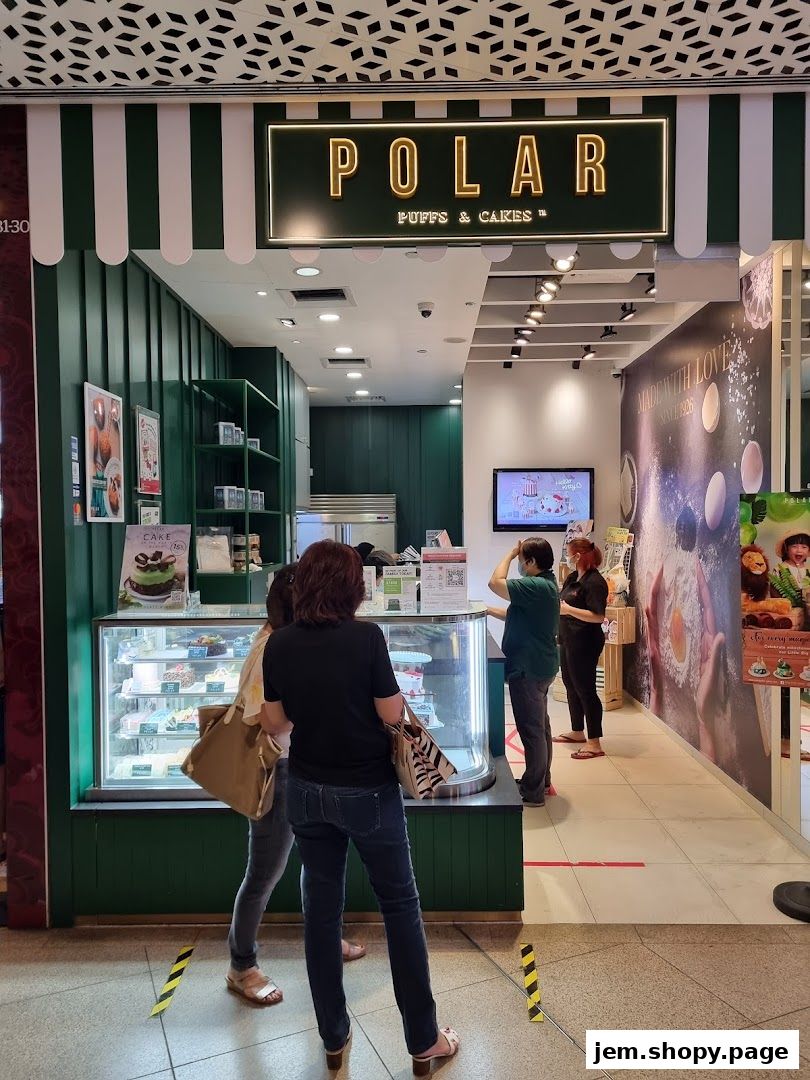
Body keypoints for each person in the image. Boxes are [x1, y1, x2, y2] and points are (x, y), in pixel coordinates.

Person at [262, 540, 459, 1073]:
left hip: (306, 790)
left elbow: (275, 723)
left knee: (321, 915)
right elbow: (391, 711)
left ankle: (332, 1038)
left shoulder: (278, 645)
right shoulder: (366, 638)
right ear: (353, 588)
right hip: (370, 792)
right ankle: (423, 1042)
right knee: (400, 907)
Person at [226, 564, 366, 1006]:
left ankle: (326, 940)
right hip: (280, 771)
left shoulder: (293, 641)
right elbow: (266, 717)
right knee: (264, 873)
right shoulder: (273, 645)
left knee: (319, 864)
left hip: (309, 766)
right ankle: (241, 965)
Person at [487, 538, 560, 806]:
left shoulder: (536, 585)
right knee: (541, 728)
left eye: (521, 560)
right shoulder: (547, 584)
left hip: (529, 669)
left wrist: (509, 551)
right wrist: (486, 611)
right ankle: (541, 779)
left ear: (530, 562)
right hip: (541, 665)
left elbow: (495, 582)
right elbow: (517, 615)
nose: (518, 564)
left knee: (531, 731)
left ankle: (533, 791)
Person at [554, 538, 609, 760]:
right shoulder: (572, 578)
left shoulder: (595, 582)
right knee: (570, 685)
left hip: (585, 641)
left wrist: (568, 611)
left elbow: (598, 617)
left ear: (579, 555)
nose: (567, 557)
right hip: (567, 639)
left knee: (585, 689)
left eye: (569, 553)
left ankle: (594, 742)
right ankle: (577, 731)